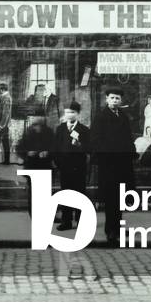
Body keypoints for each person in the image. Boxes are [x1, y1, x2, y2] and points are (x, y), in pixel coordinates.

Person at [91, 86, 136, 246]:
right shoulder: (101, 117)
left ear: (121, 100)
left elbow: (128, 137)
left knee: (120, 197)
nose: (115, 100)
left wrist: (132, 153)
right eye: (112, 98)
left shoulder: (123, 116)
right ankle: (110, 231)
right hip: (109, 164)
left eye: (117, 98)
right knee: (111, 198)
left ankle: (118, 226)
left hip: (123, 164)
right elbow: (95, 140)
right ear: (107, 99)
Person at [52, 101, 91, 231]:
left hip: (79, 167)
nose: (70, 115)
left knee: (80, 194)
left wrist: (80, 145)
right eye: (67, 112)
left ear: (78, 114)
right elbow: (56, 148)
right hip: (65, 168)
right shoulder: (60, 128)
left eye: (73, 112)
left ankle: (81, 220)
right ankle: (66, 221)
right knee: (66, 194)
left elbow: (90, 149)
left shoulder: (84, 130)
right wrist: (59, 164)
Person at [15, 115, 54, 217]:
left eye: (39, 125)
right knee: (33, 192)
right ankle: (33, 214)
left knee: (45, 192)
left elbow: (54, 147)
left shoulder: (49, 132)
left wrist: (47, 152)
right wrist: (27, 153)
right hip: (32, 165)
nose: (37, 128)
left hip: (45, 165)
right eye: (36, 125)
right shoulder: (28, 132)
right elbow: (19, 148)